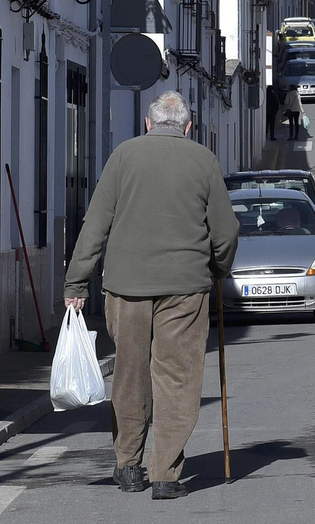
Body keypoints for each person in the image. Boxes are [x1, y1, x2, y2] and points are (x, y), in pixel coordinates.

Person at [63, 90, 239, 501]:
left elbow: (95, 224)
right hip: (185, 289)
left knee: (129, 376)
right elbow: (226, 231)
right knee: (177, 379)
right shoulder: (203, 160)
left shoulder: (123, 156)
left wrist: (76, 283)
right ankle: (165, 474)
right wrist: (217, 269)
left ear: (148, 123)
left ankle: (128, 466)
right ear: (188, 125)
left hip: (125, 289)